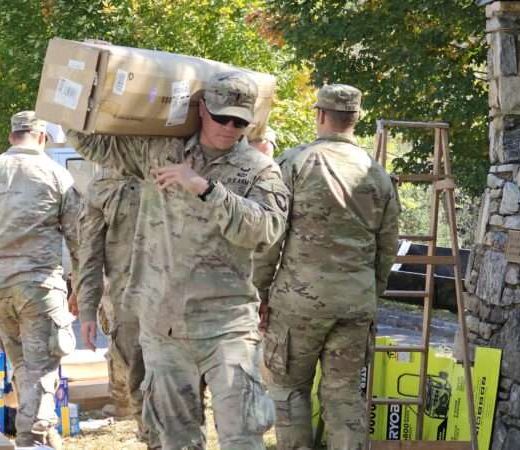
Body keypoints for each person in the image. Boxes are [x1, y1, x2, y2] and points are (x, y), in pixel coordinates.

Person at [67, 71, 289, 450]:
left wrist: (205, 188)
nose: (229, 128)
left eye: (239, 121)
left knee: (242, 437)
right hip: (164, 328)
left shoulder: (259, 169)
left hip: (227, 327)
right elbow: (94, 144)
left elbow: (266, 231)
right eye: (222, 117)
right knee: (176, 440)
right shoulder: (160, 152)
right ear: (202, 109)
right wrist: (87, 78)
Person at [256, 84, 400, 450]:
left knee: (288, 390)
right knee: (344, 395)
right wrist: (370, 294)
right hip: (355, 305)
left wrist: (259, 292)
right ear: (355, 118)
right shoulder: (378, 174)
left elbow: (271, 236)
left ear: (320, 114)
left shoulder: (295, 162)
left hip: (298, 304)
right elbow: (387, 248)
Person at [0, 111, 81, 449]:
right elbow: (77, 236)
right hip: (39, 284)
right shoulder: (56, 174)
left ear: (12, 137)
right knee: (40, 368)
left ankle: (46, 434)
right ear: (41, 137)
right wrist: (81, 286)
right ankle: (33, 438)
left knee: (24, 364)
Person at [76, 168, 155, 446]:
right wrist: (87, 309)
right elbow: (90, 252)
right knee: (140, 383)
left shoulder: (179, 164)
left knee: (184, 390)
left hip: (181, 300)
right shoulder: (105, 183)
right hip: (130, 303)